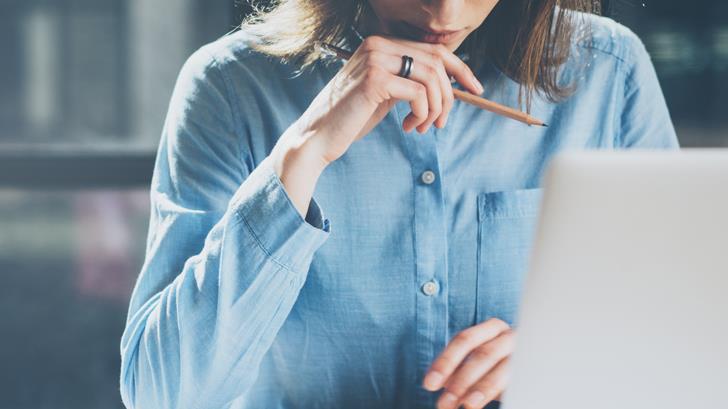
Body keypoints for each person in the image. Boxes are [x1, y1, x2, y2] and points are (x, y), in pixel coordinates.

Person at [119, 0, 678, 408]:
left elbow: (680, 343)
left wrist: (569, 355)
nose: (444, 13)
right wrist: (301, 156)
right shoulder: (228, 87)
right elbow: (161, 394)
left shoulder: (610, 72)